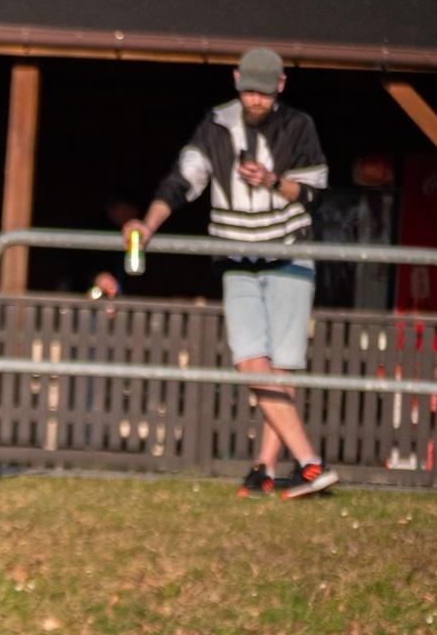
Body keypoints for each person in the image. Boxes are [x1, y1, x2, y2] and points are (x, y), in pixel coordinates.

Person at [124, 47, 335, 499]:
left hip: (290, 254)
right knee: (248, 359)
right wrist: (148, 223)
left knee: (278, 368)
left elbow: (317, 196)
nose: (255, 100)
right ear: (236, 80)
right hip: (237, 257)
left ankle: (264, 468)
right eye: (248, 91)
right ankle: (312, 463)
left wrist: (273, 182)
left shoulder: (299, 126)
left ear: (280, 86)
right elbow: (182, 182)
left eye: (263, 92)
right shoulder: (216, 125)